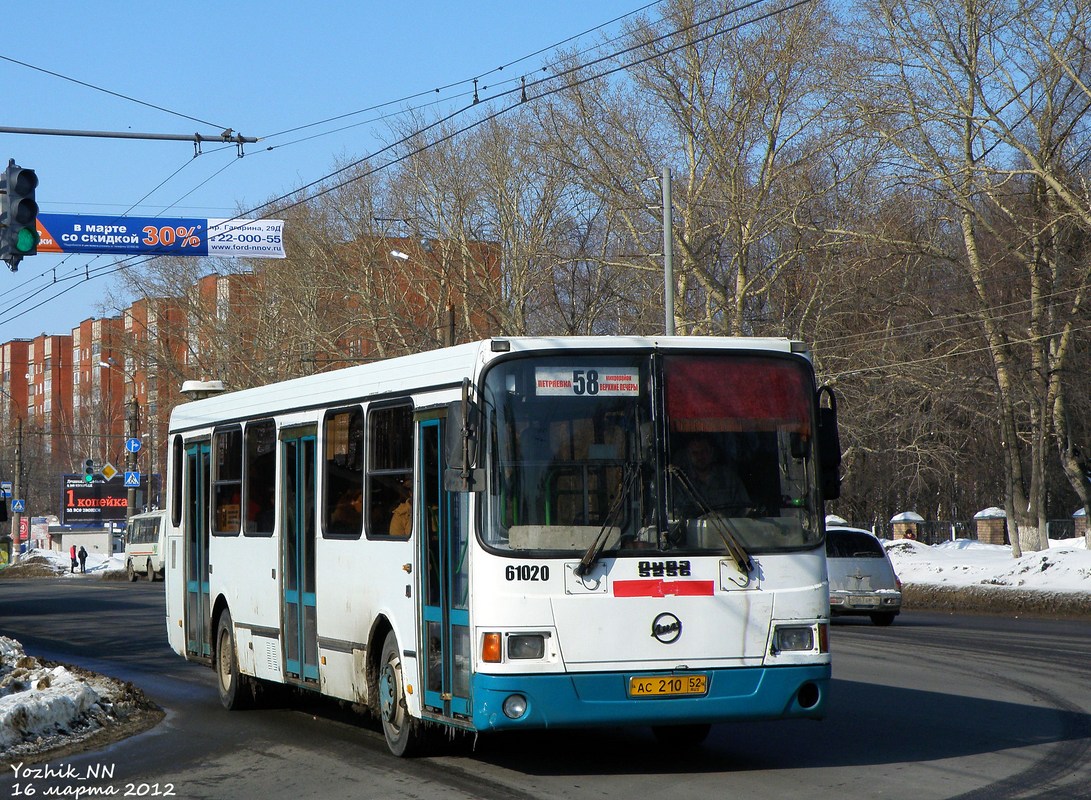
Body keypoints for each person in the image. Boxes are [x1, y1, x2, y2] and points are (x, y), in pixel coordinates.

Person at [678, 436, 749, 513]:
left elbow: (745, 509)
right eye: (695, 453)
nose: (700, 456)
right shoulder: (682, 482)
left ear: (711, 452)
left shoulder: (730, 479)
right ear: (689, 455)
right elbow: (678, 515)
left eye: (704, 451)